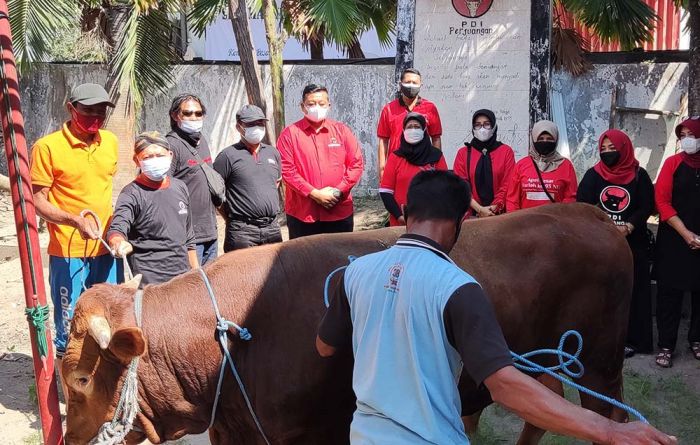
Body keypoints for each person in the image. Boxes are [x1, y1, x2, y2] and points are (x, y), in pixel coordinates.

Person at [316, 170, 676, 445]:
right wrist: (612, 432)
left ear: (406, 211)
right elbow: (505, 387)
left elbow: (325, 345)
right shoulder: (457, 287)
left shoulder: (354, 273)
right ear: (461, 221)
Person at [29, 83, 122, 396]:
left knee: (107, 317)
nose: (95, 116)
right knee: (70, 321)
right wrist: (73, 220)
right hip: (68, 252)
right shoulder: (47, 147)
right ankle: (69, 393)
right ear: (71, 108)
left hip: (105, 250)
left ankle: (103, 388)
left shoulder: (109, 142)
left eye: (101, 110)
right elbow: (38, 201)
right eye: (88, 109)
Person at [577, 129, 655, 359]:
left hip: (633, 244)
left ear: (625, 149)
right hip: (600, 245)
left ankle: (635, 340)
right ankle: (601, 339)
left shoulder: (639, 175)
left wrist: (628, 226)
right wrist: (605, 227)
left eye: (613, 148)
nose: (608, 153)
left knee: (635, 291)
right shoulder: (593, 175)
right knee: (601, 292)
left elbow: (646, 206)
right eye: (604, 149)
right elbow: (583, 203)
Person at [107, 132, 198, 285]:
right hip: (149, 284)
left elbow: (189, 237)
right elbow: (117, 228)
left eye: (159, 155)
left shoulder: (180, 187)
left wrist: (196, 273)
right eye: (147, 157)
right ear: (136, 160)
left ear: (170, 155)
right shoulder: (131, 193)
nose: (155, 160)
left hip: (182, 279)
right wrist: (118, 242)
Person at [277, 84, 364, 239]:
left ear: (328, 106)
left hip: (338, 210)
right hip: (303, 214)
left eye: (321, 104)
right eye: (311, 104)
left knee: (340, 260)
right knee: (304, 260)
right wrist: (314, 193)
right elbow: (287, 170)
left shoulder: (342, 131)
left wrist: (338, 191)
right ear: (302, 107)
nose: (316, 107)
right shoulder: (289, 134)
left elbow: (356, 164)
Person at [653, 117, 700, 368]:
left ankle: (697, 340)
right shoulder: (672, 163)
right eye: (682, 135)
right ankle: (666, 345)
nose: (686, 140)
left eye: (690, 134)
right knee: (668, 295)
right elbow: (662, 202)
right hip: (674, 238)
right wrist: (687, 234)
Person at [213, 105, 282, 251]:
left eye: (260, 123)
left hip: (272, 228)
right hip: (242, 231)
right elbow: (215, 193)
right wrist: (233, 219)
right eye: (250, 124)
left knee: (275, 272)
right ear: (239, 127)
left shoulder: (273, 153)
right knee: (240, 272)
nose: (256, 127)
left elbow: (275, 183)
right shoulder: (227, 156)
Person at [166, 93, 218, 265]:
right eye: (188, 113)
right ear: (175, 115)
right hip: (188, 238)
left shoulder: (201, 140)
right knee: (192, 287)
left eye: (198, 113)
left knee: (210, 287)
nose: (194, 117)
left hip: (210, 232)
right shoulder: (171, 145)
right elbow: (164, 189)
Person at [379, 112, 447, 226]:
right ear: (403, 131)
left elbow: (445, 188)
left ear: (424, 130)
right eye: (409, 127)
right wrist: (400, 217)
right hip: (401, 223)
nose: (413, 130)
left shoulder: (436, 156)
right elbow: (386, 192)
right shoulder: (395, 157)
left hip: (431, 222)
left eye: (417, 127)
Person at [377, 68, 442, 179]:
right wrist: (382, 169)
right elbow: (383, 140)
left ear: (421, 85)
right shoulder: (388, 109)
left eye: (415, 83)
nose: (411, 85)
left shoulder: (430, 108)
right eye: (407, 82)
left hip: (423, 167)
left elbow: (436, 138)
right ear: (400, 84)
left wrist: (436, 165)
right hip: (396, 167)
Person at [453, 109, 515, 217]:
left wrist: (495, 207)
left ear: (494, 127)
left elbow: (507, 184)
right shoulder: (463, 153)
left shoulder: (506, 152)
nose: (482, 129)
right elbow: (460, 185)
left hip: (499, 216)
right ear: (473, 128)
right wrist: (479, 209)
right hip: (470, 216)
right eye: (477, 125)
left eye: (487, 124)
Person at [506, 120, 577, 212]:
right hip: (525, 223)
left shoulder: (566, 166)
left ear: (556, 140)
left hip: (556, 223)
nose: (545, 142)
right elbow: (512, 200)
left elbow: (570, 199)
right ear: (534, 139)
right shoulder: (521, 165)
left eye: (549, 139)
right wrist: (515, 221)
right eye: (540, 139)